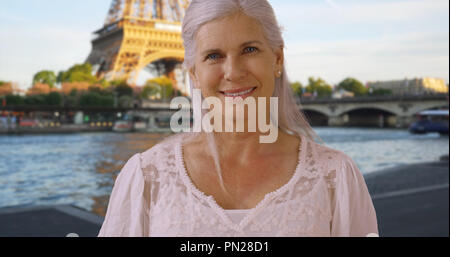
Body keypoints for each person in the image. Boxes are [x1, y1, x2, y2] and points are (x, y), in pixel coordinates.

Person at [98, 0, 378, 237]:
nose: (232, 72)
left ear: (278, 59)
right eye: (213, 55)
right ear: (193, 73)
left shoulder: (336, 176)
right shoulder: (146, 176)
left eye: (249, 50)